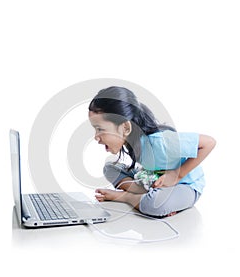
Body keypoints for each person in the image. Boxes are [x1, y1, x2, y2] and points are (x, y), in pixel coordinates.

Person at [88, 86, 216, 217]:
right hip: (154, 176)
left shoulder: (161, 142)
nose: (96, 137)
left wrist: (176, 176)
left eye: (100, 129)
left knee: (155, 204)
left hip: (186, 185)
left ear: (125, 127)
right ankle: (145, 193)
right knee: (110, 168)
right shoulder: (132, 141)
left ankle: (128, 197)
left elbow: (208, 143)